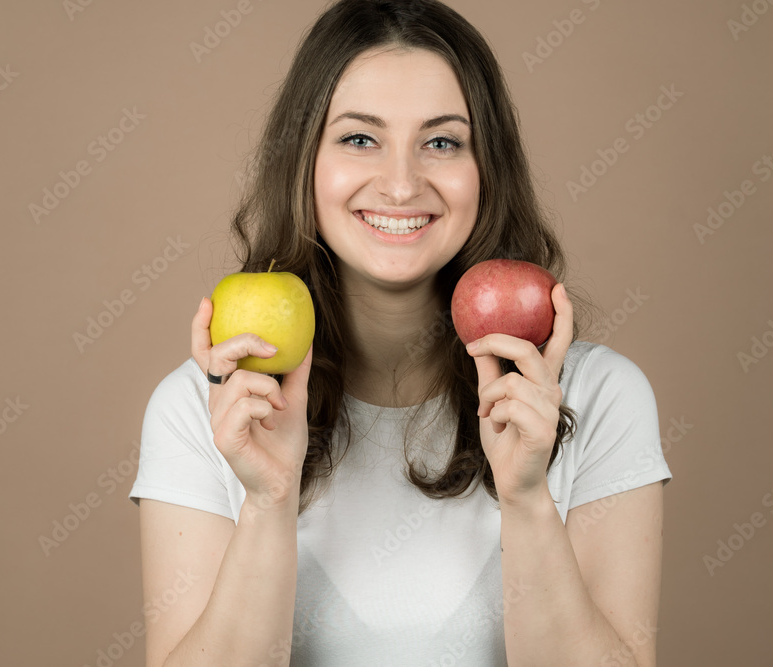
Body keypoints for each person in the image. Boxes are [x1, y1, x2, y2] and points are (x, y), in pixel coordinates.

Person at [128, 1, 672, 665]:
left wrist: (529, 501)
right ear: (306, 162)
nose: (400, 182)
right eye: (360, 138)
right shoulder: (205, 410)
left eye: (441, 141)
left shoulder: (599, 396)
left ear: (485, 169)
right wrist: (267, 501)